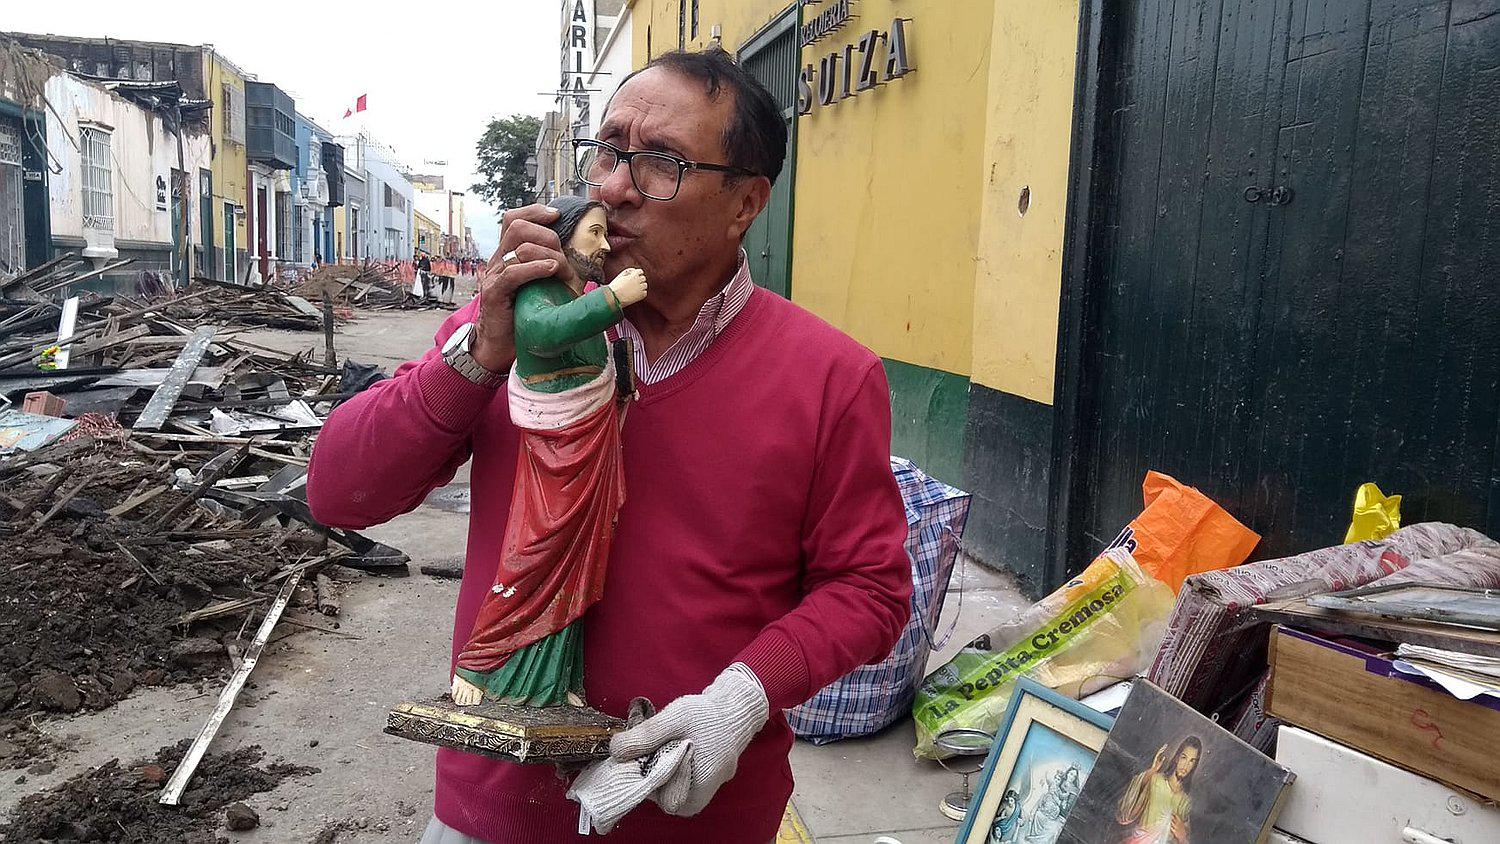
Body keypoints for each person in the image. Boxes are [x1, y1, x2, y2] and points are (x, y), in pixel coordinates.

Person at [306, 46, 910, 843]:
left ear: (745, 203)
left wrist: (744, 696)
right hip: (495, 808)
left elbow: (870, 588)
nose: (615, 185)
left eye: (661, 161)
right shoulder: (516, 327)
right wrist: (478, 356)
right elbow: (340, 492)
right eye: (610, 150)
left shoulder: (830, 375)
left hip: (698, 816)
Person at [1115, 737, 1201, 844]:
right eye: (1184, 757)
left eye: (1192, 761)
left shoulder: (1185, 801)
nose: (1186, 765)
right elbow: (1127, 811)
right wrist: (1152, 770)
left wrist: (1182, 837)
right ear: (1177, 758)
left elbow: (1184, 839)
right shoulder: (1156, 780)